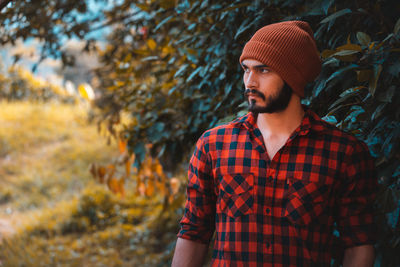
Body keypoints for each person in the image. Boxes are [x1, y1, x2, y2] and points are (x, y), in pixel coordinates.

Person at [171, 20, 377, 267]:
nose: (250, 82)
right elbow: (193, 233)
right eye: (246, 69)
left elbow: (358, 245)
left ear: (293, 76)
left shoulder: (343, 153)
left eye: (263, 70)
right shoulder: (214, 145)